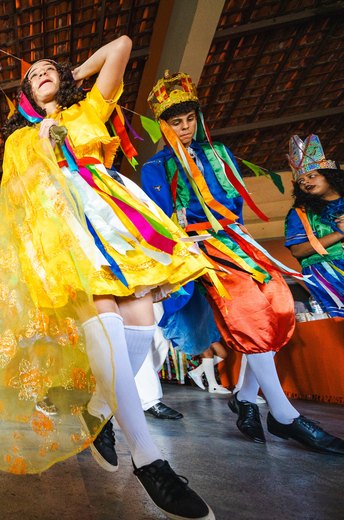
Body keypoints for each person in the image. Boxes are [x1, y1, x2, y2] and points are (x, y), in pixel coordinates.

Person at [0, 37, 216, 520]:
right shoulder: (18, 138)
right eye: (32, 76)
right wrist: (42, 139)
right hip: (63, 227)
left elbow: (122, 46)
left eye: (48, 69)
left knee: (141, 321)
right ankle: (149, 458)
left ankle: (99, 409)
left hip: (115, 218)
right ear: (24, 97)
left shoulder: (90, 107)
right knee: (108, 320)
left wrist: (70, 73)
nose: (40, 74)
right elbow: (19, 199)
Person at [141, 71, 344, 455]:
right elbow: (161, 222)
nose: (184, 128)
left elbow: (233, 204)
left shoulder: (219, 155)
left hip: (234, 239)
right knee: (249, 310)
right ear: (163, 125)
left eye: (189, 120)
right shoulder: (155, 168)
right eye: (175, 122)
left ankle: (246, 398)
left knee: (276, 301)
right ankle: (283, 415)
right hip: (196, 248)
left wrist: (234, 233)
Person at [284, 135, 344, 318]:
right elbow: (298, 251)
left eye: (311, 176)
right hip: (329, 276)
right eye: (301, 181)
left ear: (329, 176)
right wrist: (339, 233)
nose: (306, 183)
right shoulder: (300, 213)